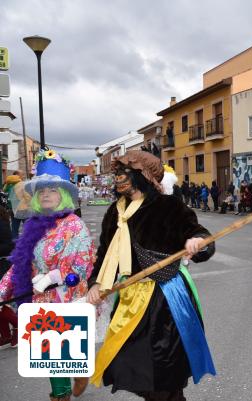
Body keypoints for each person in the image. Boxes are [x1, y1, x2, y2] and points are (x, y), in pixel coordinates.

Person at [86, 151, 216, 401]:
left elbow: (198, 232)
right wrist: (96, 283)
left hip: (164, 300)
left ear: (142, 175)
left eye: (125, 173)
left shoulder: (168, 206)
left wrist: (197, 241)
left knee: (163, 373)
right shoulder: (115, 212)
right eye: (117, 173)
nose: (119, 178)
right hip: (130, 299)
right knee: (135, 369)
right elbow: (105, 253)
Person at [0, 150, 95, 400]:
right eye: (41, 190)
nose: (45, 194)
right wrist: (2, 289)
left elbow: (82, 267)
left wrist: (52, 277)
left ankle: (74, 375)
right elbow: (20, 262)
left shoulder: (75, 225)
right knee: (50, 355)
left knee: (62, 353)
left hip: (69, 298)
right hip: (41, 300)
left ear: (62, 194)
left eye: (52, 190)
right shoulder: (33, 225)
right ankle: (61, 392)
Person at [0, 202, 16, 349]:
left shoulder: (2, 224)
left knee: (1, 303)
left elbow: (8, 246)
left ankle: (17, 327)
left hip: (2, 266)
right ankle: (5, 335)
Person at [4, 170, 24, 239]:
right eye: (21, 175)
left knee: (14, 227)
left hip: (12, 209)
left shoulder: (7, 184)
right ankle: (26, 243)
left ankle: (14, 243)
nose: (22, 176)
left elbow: (6, 195)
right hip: (22, 208)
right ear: (17, 175)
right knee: (27, 227)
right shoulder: (20, 184)